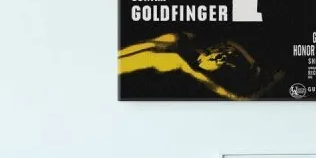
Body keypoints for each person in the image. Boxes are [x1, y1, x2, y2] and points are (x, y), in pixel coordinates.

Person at [117, 32, 282, 99]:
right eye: (223, 54)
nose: (218, 56)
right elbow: (228, 42)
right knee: (174, 39)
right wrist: (252, 62)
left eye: (220, 61)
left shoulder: (180, 63)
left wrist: (234, 97)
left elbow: (205, 80)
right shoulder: (184, 40)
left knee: (171, 57)